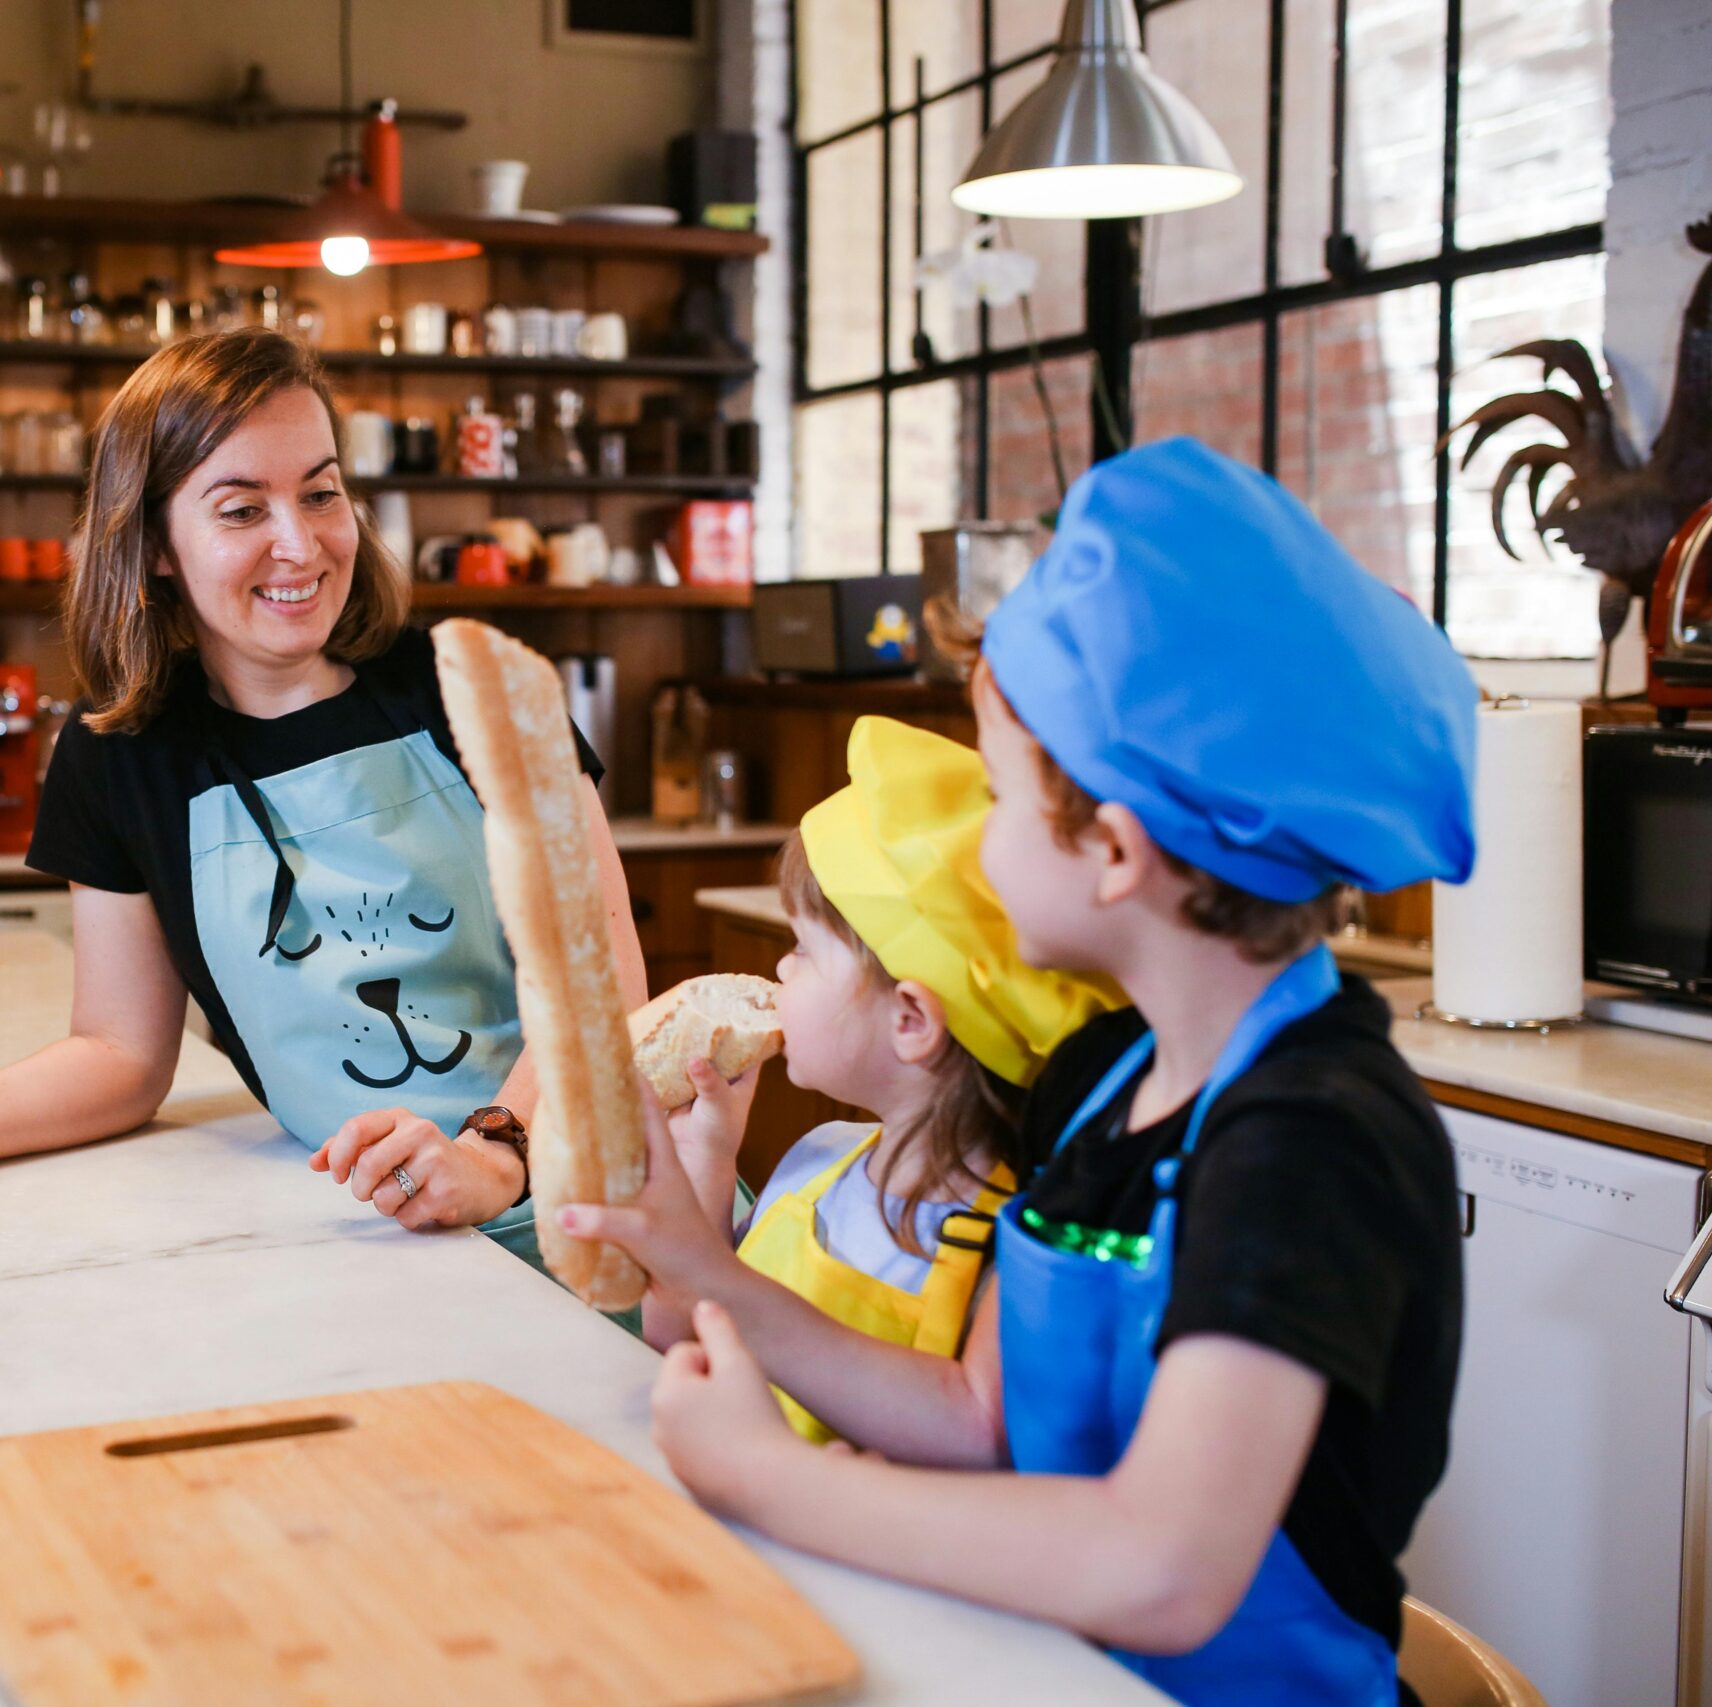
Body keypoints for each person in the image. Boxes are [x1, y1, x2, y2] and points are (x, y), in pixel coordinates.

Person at [566, 438, 1477, 1706]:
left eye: (996, 792)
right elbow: (979, 1414)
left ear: (1111, 849)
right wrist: (708, 1271)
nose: (974, 838)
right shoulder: (1105, 1075)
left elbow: (1163, 1568)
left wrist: (779, 1483)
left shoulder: (1309, 1141)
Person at [0, 329, 646, 1271]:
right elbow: (120, 1056)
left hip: (596, 1195)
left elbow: (606, 977)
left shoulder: (480, 688)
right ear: (155, 545)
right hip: (378, 1237)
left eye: (321, 492)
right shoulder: (118, 757)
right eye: (241, 508)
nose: (298, 543)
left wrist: (496, 1152)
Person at [643, 717, 1120, 1434]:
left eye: (802, 948)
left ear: (910, 1020)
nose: (780, 970)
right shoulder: (817, 1161)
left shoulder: (999, 1255)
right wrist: (709, 1162)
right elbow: (672, 1332)